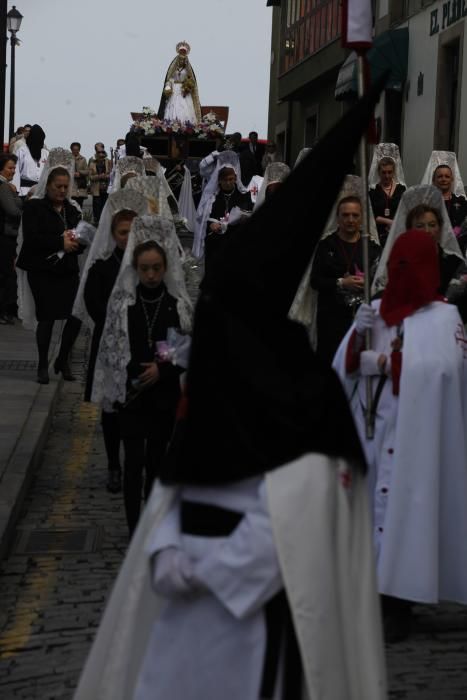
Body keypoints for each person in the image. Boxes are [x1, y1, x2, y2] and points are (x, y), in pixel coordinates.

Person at [73, 79, 388, 700]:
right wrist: (169, 552)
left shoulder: (308, 411)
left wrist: (197, 562)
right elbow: (170, 508)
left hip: (263, 653)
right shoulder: (228, 387)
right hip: (183, 650)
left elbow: (295, 547)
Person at [334, 229, 467, 642]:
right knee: (370, 513)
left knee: (406, 518)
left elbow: (445, 372)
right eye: (398, 265)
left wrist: (390, 364)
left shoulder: (445, 318)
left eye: (411, 266)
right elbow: (341, 372)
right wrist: (358, 336)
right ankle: (369, 594)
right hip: (373, 429)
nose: (403, 273)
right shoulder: (375, 310)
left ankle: (399, 602)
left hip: (416, 436)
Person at [92, 216, 193, 536]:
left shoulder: (175, 305)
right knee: (133, 462)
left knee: (156, 462)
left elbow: (185, 348)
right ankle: (134, 526)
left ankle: (153, 522)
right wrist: (132, 373)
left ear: (165, 268)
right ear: (135, 268)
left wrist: (162, 369)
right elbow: (113, 348)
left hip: (163, 397)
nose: (150, 275)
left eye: (156, 268)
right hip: (132, 395)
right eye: (145, 268)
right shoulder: (124, 305)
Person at [73, 189, 148, 494]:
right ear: (113, 233)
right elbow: (93, 304)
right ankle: (113, 465)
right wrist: (117, 320)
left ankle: (136, 461)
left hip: (141, 346)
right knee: (112, 409)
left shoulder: (148, 265)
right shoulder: (101, 267)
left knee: (139, 407)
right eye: (121, 233)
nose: (126, 238)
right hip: (111, 346)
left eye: (132, 232)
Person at [16, 159, 83, 384]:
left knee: (75, 316)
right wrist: (59, 242)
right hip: (42, 269)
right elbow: (33, 238)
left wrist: (76, 243)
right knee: (47, 318)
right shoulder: (35, 207)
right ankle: (43, 364)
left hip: (67, 270)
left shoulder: (72, 209)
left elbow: (80, 236)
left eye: (66, 187)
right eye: (58, 187)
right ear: (48, 185)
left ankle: (62, 358)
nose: (63, 191)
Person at [310, 194, 380, 364]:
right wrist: (341, 282)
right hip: (332, 319)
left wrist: (368, 284)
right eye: (346, 215)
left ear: (362, 217)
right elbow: (315, 281)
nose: (350, 219)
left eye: (355, 215)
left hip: (362, 319)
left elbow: (382, 281)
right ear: (338, 218)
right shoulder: (326, 246)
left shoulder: (371, 248)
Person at [371, 184, 464, 299]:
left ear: (439, 228)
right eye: (420, 226)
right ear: (410, 229)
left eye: (432, 225)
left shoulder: (453, 261)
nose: (427, 231)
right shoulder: (399, 261)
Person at [192, 150, 251, 264]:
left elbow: (248, 212)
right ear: (219, 180)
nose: (229, 183)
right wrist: (211, 224)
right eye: (225, 180)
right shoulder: (212, 197)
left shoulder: (243, 195)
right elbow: (204, 218)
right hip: (216, 241)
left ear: (235, 178)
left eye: (231, 179)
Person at [421, 151, 467, 237]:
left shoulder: (461, 201)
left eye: (447, 176)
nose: (444, 179)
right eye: (440, 176)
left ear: (452, 179)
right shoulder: (427, 202)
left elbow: (463, 224)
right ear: (433, 180)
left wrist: (456, 233)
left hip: (456, 245)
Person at [368, 145, 406, 246]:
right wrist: (389, 222)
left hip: (398, 234)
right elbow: (370, 215)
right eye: (384, 172)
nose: (387, 176)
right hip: (378, 235)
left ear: (394, 172)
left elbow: (406, 212)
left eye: (390, 172)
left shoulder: (401, 189)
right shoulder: (373, 191)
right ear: (378, 172)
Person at [0, 153, 22, 323]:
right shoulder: (5, 187)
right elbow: (13, 211)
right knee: (7, 273)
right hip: (5, 235)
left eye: (14, 168)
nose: (13, 171)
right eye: (10, 168)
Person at [158, 41, 201, 125]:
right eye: (180, 58)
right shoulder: (173, 69)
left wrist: (188, 86)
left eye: (183, 58)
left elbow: (191, 80)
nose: (181, 60)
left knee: (185, 107)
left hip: (184, 90)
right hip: (174, 90)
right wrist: (168, 87)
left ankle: (187, 124)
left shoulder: (187, 69)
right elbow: (169, 79)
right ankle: (171, 123)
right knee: (173, 106)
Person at [12, 124, 49, 197]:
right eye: (36, 138)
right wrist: (16, 190)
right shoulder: (22, 151)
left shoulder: (46, 153)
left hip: (41, 192)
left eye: (40, 139)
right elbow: (16, 171)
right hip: (24, 191)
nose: (38, 141)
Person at [89, 149, 111, 224]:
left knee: (105, 209)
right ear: (97, 156)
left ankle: (105, 224)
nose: (101, 156)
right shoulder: (92, 164)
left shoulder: (108, 162)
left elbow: (113, 174)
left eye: (102, 154)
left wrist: (107, 176)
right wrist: (99, 176)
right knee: (97, 209)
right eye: (99, 154)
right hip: (96, 190)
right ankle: (96, 224)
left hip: (106, 190)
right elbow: (90, 177)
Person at [70, 142, 89, 208]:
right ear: (71, 150)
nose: (75, 151)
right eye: (74, 149)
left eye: (77, 149)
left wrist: (80, 173)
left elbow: (87, 171)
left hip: (80, 188)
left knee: (80, 207)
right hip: (71, 187)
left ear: (79, 150)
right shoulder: (68, 159)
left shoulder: (83, 159)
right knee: (71, 207)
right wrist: (72, 173)